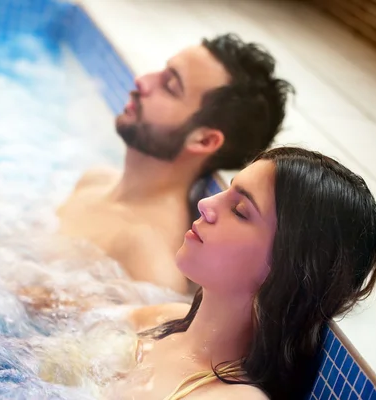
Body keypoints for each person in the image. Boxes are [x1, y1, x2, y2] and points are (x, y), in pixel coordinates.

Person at [114, 147, 376, 399]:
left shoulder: (235, 398)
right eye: (226, 192)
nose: (206, 204)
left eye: (239, 211)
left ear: (285, 267)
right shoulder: (162, 319)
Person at [58, 34, 294, 293]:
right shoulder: (95, 179)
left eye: (169, 86)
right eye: (160, 72)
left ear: (203, 140)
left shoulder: (150, 259)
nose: (142, 82)